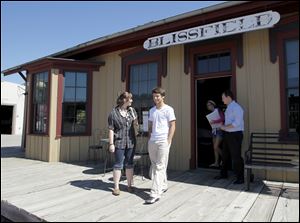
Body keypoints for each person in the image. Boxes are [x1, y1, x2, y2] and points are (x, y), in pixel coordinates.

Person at [145, 87, 176, 204]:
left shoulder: (169, 109)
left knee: (159, 166)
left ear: (163, 97)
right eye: (154, 96)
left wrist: (169, 140)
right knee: (155, 165)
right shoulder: (152, 110)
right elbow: (150, 125)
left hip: (163, 141)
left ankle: (155, 193)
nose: (155, 98)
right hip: (152, 141)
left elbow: (173, 125)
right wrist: (149, 137)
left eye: (157, 96)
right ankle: (163, 185)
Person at [108, 92, 138, 196]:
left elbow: (136, 124)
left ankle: (130, 185)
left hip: (131, 142)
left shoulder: (132, 111)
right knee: (118, 164)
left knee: (129, 164)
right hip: (119, 142)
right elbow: (111, 129)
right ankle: (116, 187)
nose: (132, 101)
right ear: (124, 100)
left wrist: (136, 121)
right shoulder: (113, 113)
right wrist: (111, 144)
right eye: (130, 99)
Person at [216, 90, 245, 184]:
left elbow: (237, 123)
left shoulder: (237, 108)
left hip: (235, 135)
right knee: (225, 155)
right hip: (228, 134)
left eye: (223, 98)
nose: (222, 100)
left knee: (236, 156)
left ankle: (240, 178)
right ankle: (223, 174)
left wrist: (223, 127)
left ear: (228, 97)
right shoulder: (229, 108)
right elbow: (229, 122)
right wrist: (221, 124)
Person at [206, 100, 224, 168]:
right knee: (215, 148)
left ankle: (224, 159)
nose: (208, 107)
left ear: (213, 105)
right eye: (207, 106)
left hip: (220, 130)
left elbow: (223, 118)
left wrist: (214, 121)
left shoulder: (218, 110)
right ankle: (216, 163)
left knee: (216, 146)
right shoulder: (211, 113)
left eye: (209, 105)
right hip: (214, 131)